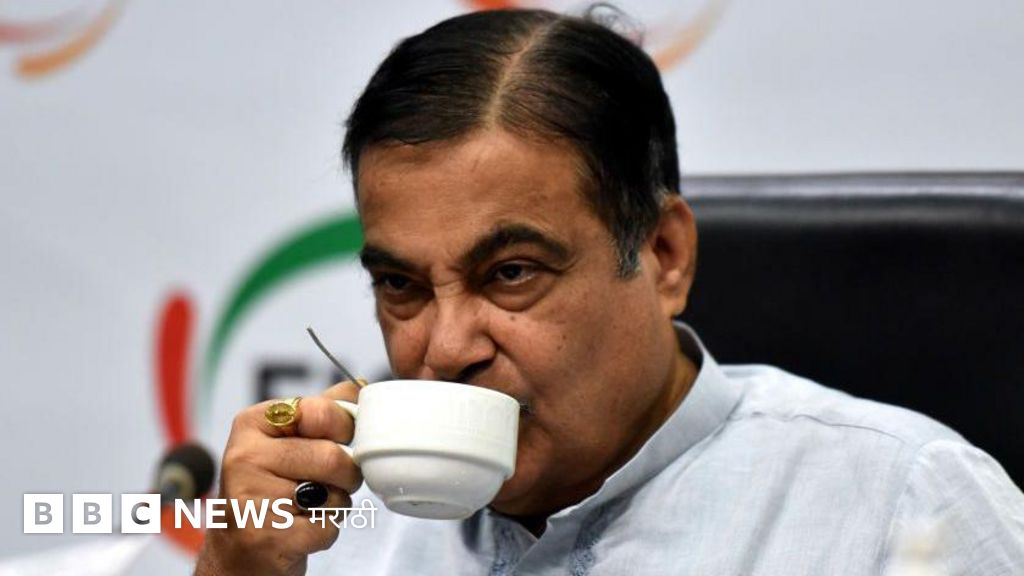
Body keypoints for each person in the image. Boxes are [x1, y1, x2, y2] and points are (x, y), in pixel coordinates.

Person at [195, 8, 1024, 576]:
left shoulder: (902, 505)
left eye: (511, 273)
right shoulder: (321, 529)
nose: (443, 350)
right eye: (400, 285)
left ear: (664, 256)